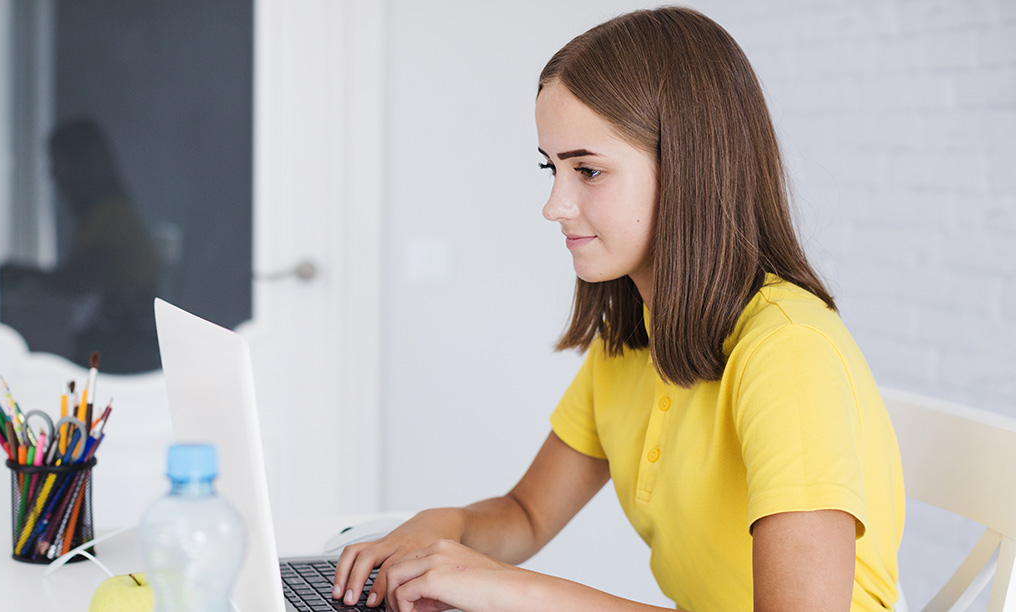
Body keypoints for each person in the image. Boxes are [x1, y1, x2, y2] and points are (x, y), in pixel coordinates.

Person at [333, 7, 904, 612]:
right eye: (550, 168)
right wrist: (441, 527)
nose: (555, 204)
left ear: (690, 168)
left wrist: (512, 591)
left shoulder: (789, 353)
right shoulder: (632, 342)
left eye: (588, 170)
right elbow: (525, 515)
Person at [0, 119, 163, 373]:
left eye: (57, 162)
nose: (51, 173)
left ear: (81, 165)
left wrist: (27, 274)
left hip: (126, 344)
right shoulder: (102, 215)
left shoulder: (111, 216)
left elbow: (77, 282)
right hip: (120, 337)